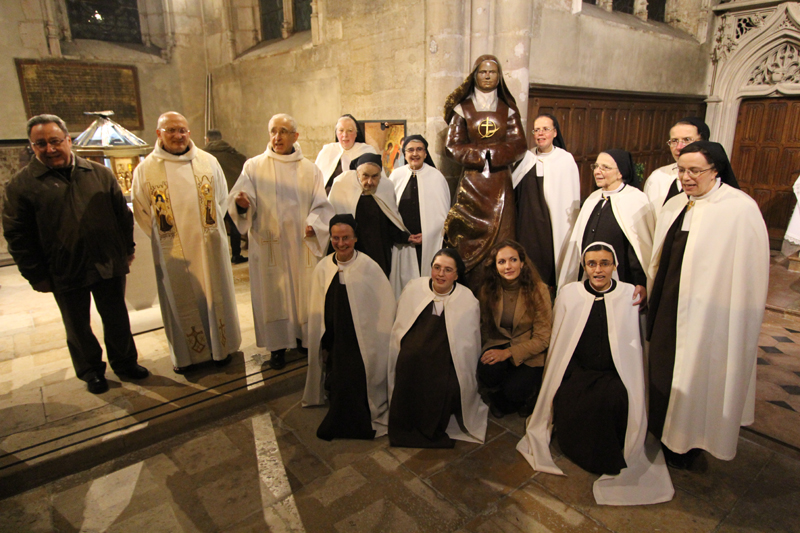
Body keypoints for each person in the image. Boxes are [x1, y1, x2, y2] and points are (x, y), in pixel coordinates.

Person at [517, 242, 674, 506]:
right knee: (569, 395)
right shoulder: (570, 294)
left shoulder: (628, 295)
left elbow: (634, 347)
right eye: (592, 264)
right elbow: (561, 343)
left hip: (614, 374)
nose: (598, 270)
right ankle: (576, 451)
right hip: (580, 370)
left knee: (612, 399)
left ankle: (605, 459)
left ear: (614, 266)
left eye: (604, 263)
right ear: (584, 266)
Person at [3, 114, 148, 394]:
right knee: (77, 325)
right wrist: (36, 274)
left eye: (55, 141)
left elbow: (122, 215)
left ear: (68, 140)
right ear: (32, 147)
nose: (50, 148)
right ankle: (91, 370)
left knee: (117, 316)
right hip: (63, 266)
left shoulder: (97, 173)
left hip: (107, 260)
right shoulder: (22, 185)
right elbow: (17, 234)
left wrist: (126, 249)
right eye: (40, 143)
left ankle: (125, 362)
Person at [646, 141, 766, 469]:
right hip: (669, 306)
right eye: (682, 170)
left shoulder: (739, 209)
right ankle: (660, 431)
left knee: (696, 377)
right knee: (661, 370)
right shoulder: (675, 205)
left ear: (716, 171)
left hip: (708, 316)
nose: (686, 177)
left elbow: (748, 279)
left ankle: (688, 444)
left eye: (694, 171)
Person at [132, 111, 241, 373]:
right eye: (171, 130)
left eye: (182, 130)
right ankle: (187, 357)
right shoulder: (146, 170)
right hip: (173, 253)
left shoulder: (208, 161)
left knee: (216, 296)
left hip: (209, 247)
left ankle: (221, 349)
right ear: (159, 134)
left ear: (189, 133)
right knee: (179, 300)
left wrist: (210, 230)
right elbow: (141, 211)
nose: (178, 136)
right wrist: (164, 239)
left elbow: (222, 199)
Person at [228, 114, 333, 370]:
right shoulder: (253, 167)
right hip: (269, 247)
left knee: (302, 294)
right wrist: (241, 205)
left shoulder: (310, 169)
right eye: (273, 131)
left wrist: (315, 223)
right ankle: (277, 348)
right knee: (273, 295)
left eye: (284, 131)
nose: (277, 137)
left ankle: (301, 338)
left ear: (295, 136)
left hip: (301, 246)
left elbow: (322, 205)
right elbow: (240, 199)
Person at [302, 215, 396, 440]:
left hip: (362, 341)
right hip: (335, 339)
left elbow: (384, 309)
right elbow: (318, 311)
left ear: (355, 238)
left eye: (346, 238)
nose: (341, 243)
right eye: (336, 238)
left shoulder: (369, 267)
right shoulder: (323, 268)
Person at [388, 248, 488, 448]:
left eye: (448, 270)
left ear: (457, 275)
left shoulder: (466, 299)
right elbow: (402, 326)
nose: (441, 274)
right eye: (437, 268)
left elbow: (468, 343)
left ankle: (430, 428)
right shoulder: (415, 288)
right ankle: (404, 427)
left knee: (443, 382)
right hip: (415, 351)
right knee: (407, 365)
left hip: (446, 356)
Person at [442, 54, 528, 285]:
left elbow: (520, 144)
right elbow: (452, 146)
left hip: (500, 184)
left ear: (499, 76)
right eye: (483, 71)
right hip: (472, 183)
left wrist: (495, 155)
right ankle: (470, 285)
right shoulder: (463, 109)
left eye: (492, 72)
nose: (488, 75)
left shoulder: (507, 108)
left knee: (503, 236)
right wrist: (482, 155)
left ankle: (499, 287)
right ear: (475, 75)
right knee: (468, 238)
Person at [558, 149, 653, 307]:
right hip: (590, 278)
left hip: (622, 280)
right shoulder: (593, 198)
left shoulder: (635, 199)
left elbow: (639, 248)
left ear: (620, 172)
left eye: (605, 168)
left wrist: (640, 282)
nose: (597, 171)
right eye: (596, 166)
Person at [477, 240, 552, 418]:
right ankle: (508, 392)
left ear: (522, 263)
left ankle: (525, 396)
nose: (508, 266)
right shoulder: (488, 289)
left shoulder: (539, 290)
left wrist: (509, 353)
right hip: (500, 342)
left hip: (529, 349)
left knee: (514, 392)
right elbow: (485, 326)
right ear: (495, 266)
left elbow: (543, 338)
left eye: (513, 260)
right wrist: (487, 350)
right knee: (487, 371)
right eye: (501, 262)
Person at [511, 114, 581, 288]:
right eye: (537, 130)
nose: (540, 134)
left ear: (555, 133)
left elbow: (569, 199)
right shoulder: (525, 158)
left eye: (545, 129)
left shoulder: (565, 160)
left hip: (551, 228)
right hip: (526, 226)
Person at [328, 153, 417, 279]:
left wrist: (407, 237)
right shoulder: (342, 185)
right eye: (365, 176)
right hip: (351, 252)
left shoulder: (385, 188)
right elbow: (331, 220)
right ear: (357, 173)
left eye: (375, 176)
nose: (370, 182)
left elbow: (391, 222)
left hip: (379, 252)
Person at [387, 135, 451, 294]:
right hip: (403, 242)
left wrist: (428, 235)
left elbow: (444, 215)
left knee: (426, 285)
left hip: (428, 243)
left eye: (419, 149)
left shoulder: (436, 177)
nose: (415, 154)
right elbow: (389, 212)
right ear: (404, 153)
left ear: (425, 153)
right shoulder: (396, 176)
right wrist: (403, 236)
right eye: (410, 150)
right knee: (404, 289)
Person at [643, 117, 710, 219]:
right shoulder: (658, 177)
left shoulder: (713, 178)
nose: (679, 147)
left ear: (704, 142)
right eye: (674, 141)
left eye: (687, 140)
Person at [204, 129, 248, 264]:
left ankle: (217, 257)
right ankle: (236, 254)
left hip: (213, 196)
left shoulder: (203, 157)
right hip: (234, 193)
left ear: (207, 139)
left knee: (215, 227)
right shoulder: (235, 154)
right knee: (234, 224)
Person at [315, 114, 378, 195]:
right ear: (336, 133)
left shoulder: (367, 152)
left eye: (350, 130)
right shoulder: (328, 150)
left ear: (356, 134)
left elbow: (378, 183)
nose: (345, 135)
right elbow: (315, 180)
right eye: (341, 130)